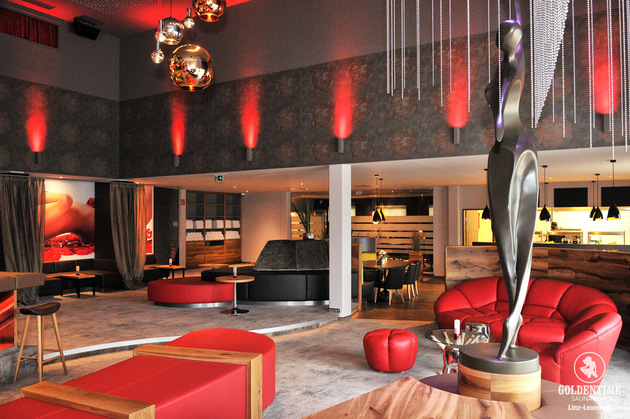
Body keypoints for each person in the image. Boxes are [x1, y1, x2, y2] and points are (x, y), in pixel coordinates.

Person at [485, 0, 539, 359]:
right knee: (517, 239)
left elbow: (504, 117)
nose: (499, 37)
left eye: (504, 33)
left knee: (511, 237)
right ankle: (515, 315)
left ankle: (514, 315)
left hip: (508, 149)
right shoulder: (505, 68)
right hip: (515, 149)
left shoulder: (515, 67)